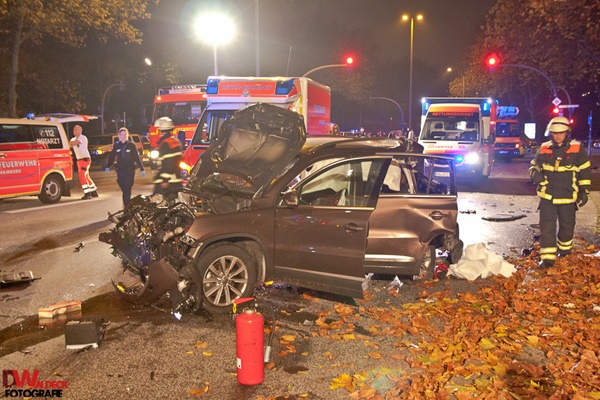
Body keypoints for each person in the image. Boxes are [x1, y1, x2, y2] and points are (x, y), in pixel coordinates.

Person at [529, 116, 592, 268]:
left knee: (567, 226)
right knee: (547, 228)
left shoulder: (577, 148)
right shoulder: (544, 147)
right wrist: (536, 175)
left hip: (568, 196)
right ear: (551, 133)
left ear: (567, 133)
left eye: (561, 133)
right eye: (555, 133)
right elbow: (534, 166)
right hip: (548, 196)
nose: (558, 136)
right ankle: (547, 259)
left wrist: (584, 191)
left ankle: (564, 252)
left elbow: (584, 170)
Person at [105, 127, 145, 206]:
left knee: (127, 187)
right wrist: (108, 166)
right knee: (123, 187)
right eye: (122, 134)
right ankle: (127, 203)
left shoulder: (131, 145)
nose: (123, 136)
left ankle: (126, 205)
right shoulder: (117, 146)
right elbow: (112, 156)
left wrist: (142, 168)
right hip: (120, 170)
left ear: (127, 135)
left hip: (130, 170)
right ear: (119, 135)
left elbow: (136, 157)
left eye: (125, 134)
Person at [152, 117, 183, 197]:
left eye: (160, 130)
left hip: (168, 182)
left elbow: (168, 163)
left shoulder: (166, 144)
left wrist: (164, 180)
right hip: (176, 179)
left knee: (157, 201)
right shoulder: (175, 141)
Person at [68, 124, 98, 200]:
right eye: (74, 129)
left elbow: (73, 143)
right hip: (79, 160)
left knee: (82, 175)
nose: (74, 131)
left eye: (76, 129)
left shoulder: (83, 138)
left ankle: (87, 194)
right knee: (86, 176)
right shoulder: (73, 139)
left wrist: (67, 142)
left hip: (85, 159)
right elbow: (70, 145)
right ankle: (94, 191)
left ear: (80, 131)